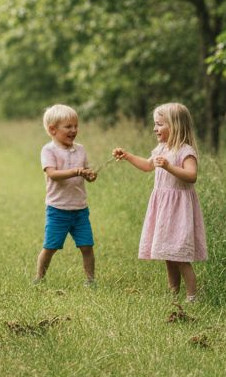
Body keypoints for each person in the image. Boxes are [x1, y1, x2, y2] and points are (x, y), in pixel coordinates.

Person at [112, 102, 207, 303]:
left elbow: (191, 175)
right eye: (155, 124)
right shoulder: (162, 148)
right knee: (168, 253)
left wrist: (169, 166)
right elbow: (148, 166)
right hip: (164, 208)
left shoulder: (185, 150)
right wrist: (128, 156)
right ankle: (173, 293)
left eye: (159, 124)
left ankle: (192, 297)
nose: (155, 128)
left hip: (179, 209)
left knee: (180, 255)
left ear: (175, 126)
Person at [35, 104, 97, 287]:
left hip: (80, 208)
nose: (74, 130)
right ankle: (39, 278)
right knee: (50, 247)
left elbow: (84, 170)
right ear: (53, 130)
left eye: (76, 126)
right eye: (68, 127)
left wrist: (89, 174)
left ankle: (90, 280)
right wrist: (76, 171)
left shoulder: (80, 149)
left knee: (87, 246)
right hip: (58, 209)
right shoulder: (49, 150)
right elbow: (53, 174)